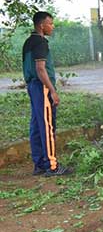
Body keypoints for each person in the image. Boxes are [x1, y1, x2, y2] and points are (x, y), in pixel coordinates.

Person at [22, 12, 74, 176]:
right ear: (41, 25)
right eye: (50, 23)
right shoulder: (41, 42)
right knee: (47, 125)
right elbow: (40, 69)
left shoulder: (28, 42)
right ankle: (52, 166)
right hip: (42, 87)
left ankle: (40, 164)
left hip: (32, 86)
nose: (52, 26)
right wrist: (52, 90)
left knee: (37, 125)